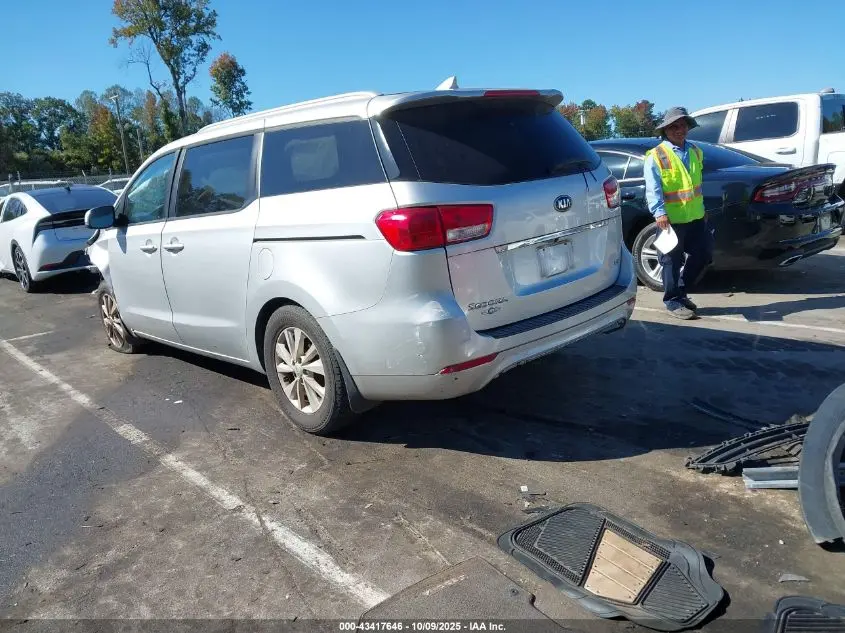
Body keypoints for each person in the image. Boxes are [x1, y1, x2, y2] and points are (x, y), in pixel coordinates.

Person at [644, 106, 709, 320]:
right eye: (674, 126)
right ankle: (672, 300)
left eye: (683, 125)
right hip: (669, 220)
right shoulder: (656, 155)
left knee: (703, 255)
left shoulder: (696, 152)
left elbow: (695, 185)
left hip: (696, 216)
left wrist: (702, 211)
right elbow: (653, 189)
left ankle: (680, 292)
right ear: (665, 130)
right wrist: (659, 213)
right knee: (670, 261)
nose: (679, 130)